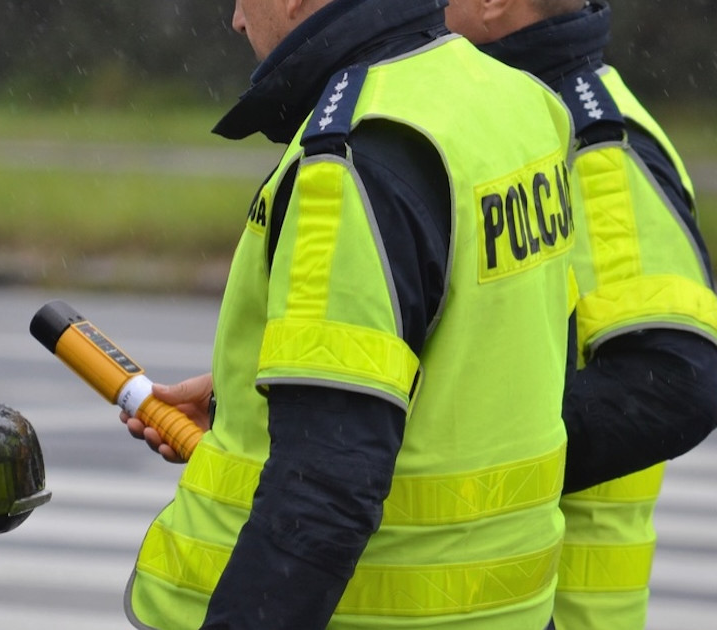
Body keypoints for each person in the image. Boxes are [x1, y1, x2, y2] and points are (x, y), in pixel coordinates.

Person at [118, 0, 580, 627]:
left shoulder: (351, 154)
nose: (234, 19)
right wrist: (256, 400)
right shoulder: (518, 102)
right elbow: (485, 358)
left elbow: (323, 491)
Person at [444, 1, 717, 629]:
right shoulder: (512, 117)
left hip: (564, 610)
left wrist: (444, 453)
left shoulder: (596, 146)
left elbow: (674, 386)